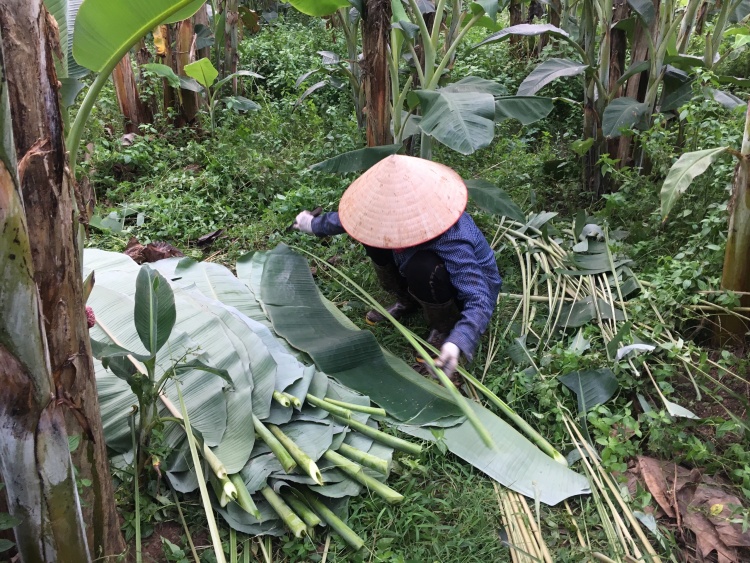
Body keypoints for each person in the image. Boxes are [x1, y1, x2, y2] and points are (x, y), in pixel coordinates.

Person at [293, 154, 501, 383]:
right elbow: (354, 219)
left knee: (423, 267)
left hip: (457, 287)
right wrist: (313, 224)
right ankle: (407, 300)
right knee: (371, 234)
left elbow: (479, 297)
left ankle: (444, 327)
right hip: (416, 265)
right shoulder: (384, 214)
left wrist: (458, 341)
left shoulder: (452, 237)